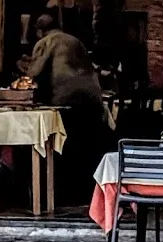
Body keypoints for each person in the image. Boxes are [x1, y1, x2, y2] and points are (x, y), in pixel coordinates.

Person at [18, 14, 114, 205]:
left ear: (39, 30)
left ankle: (62, 197)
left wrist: (21, 65)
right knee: (86, 151)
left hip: (67, 102)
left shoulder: (46, 41)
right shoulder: (74, 40)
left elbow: (34, 72)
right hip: (93, 101)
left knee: (65, 150)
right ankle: (87, 196)